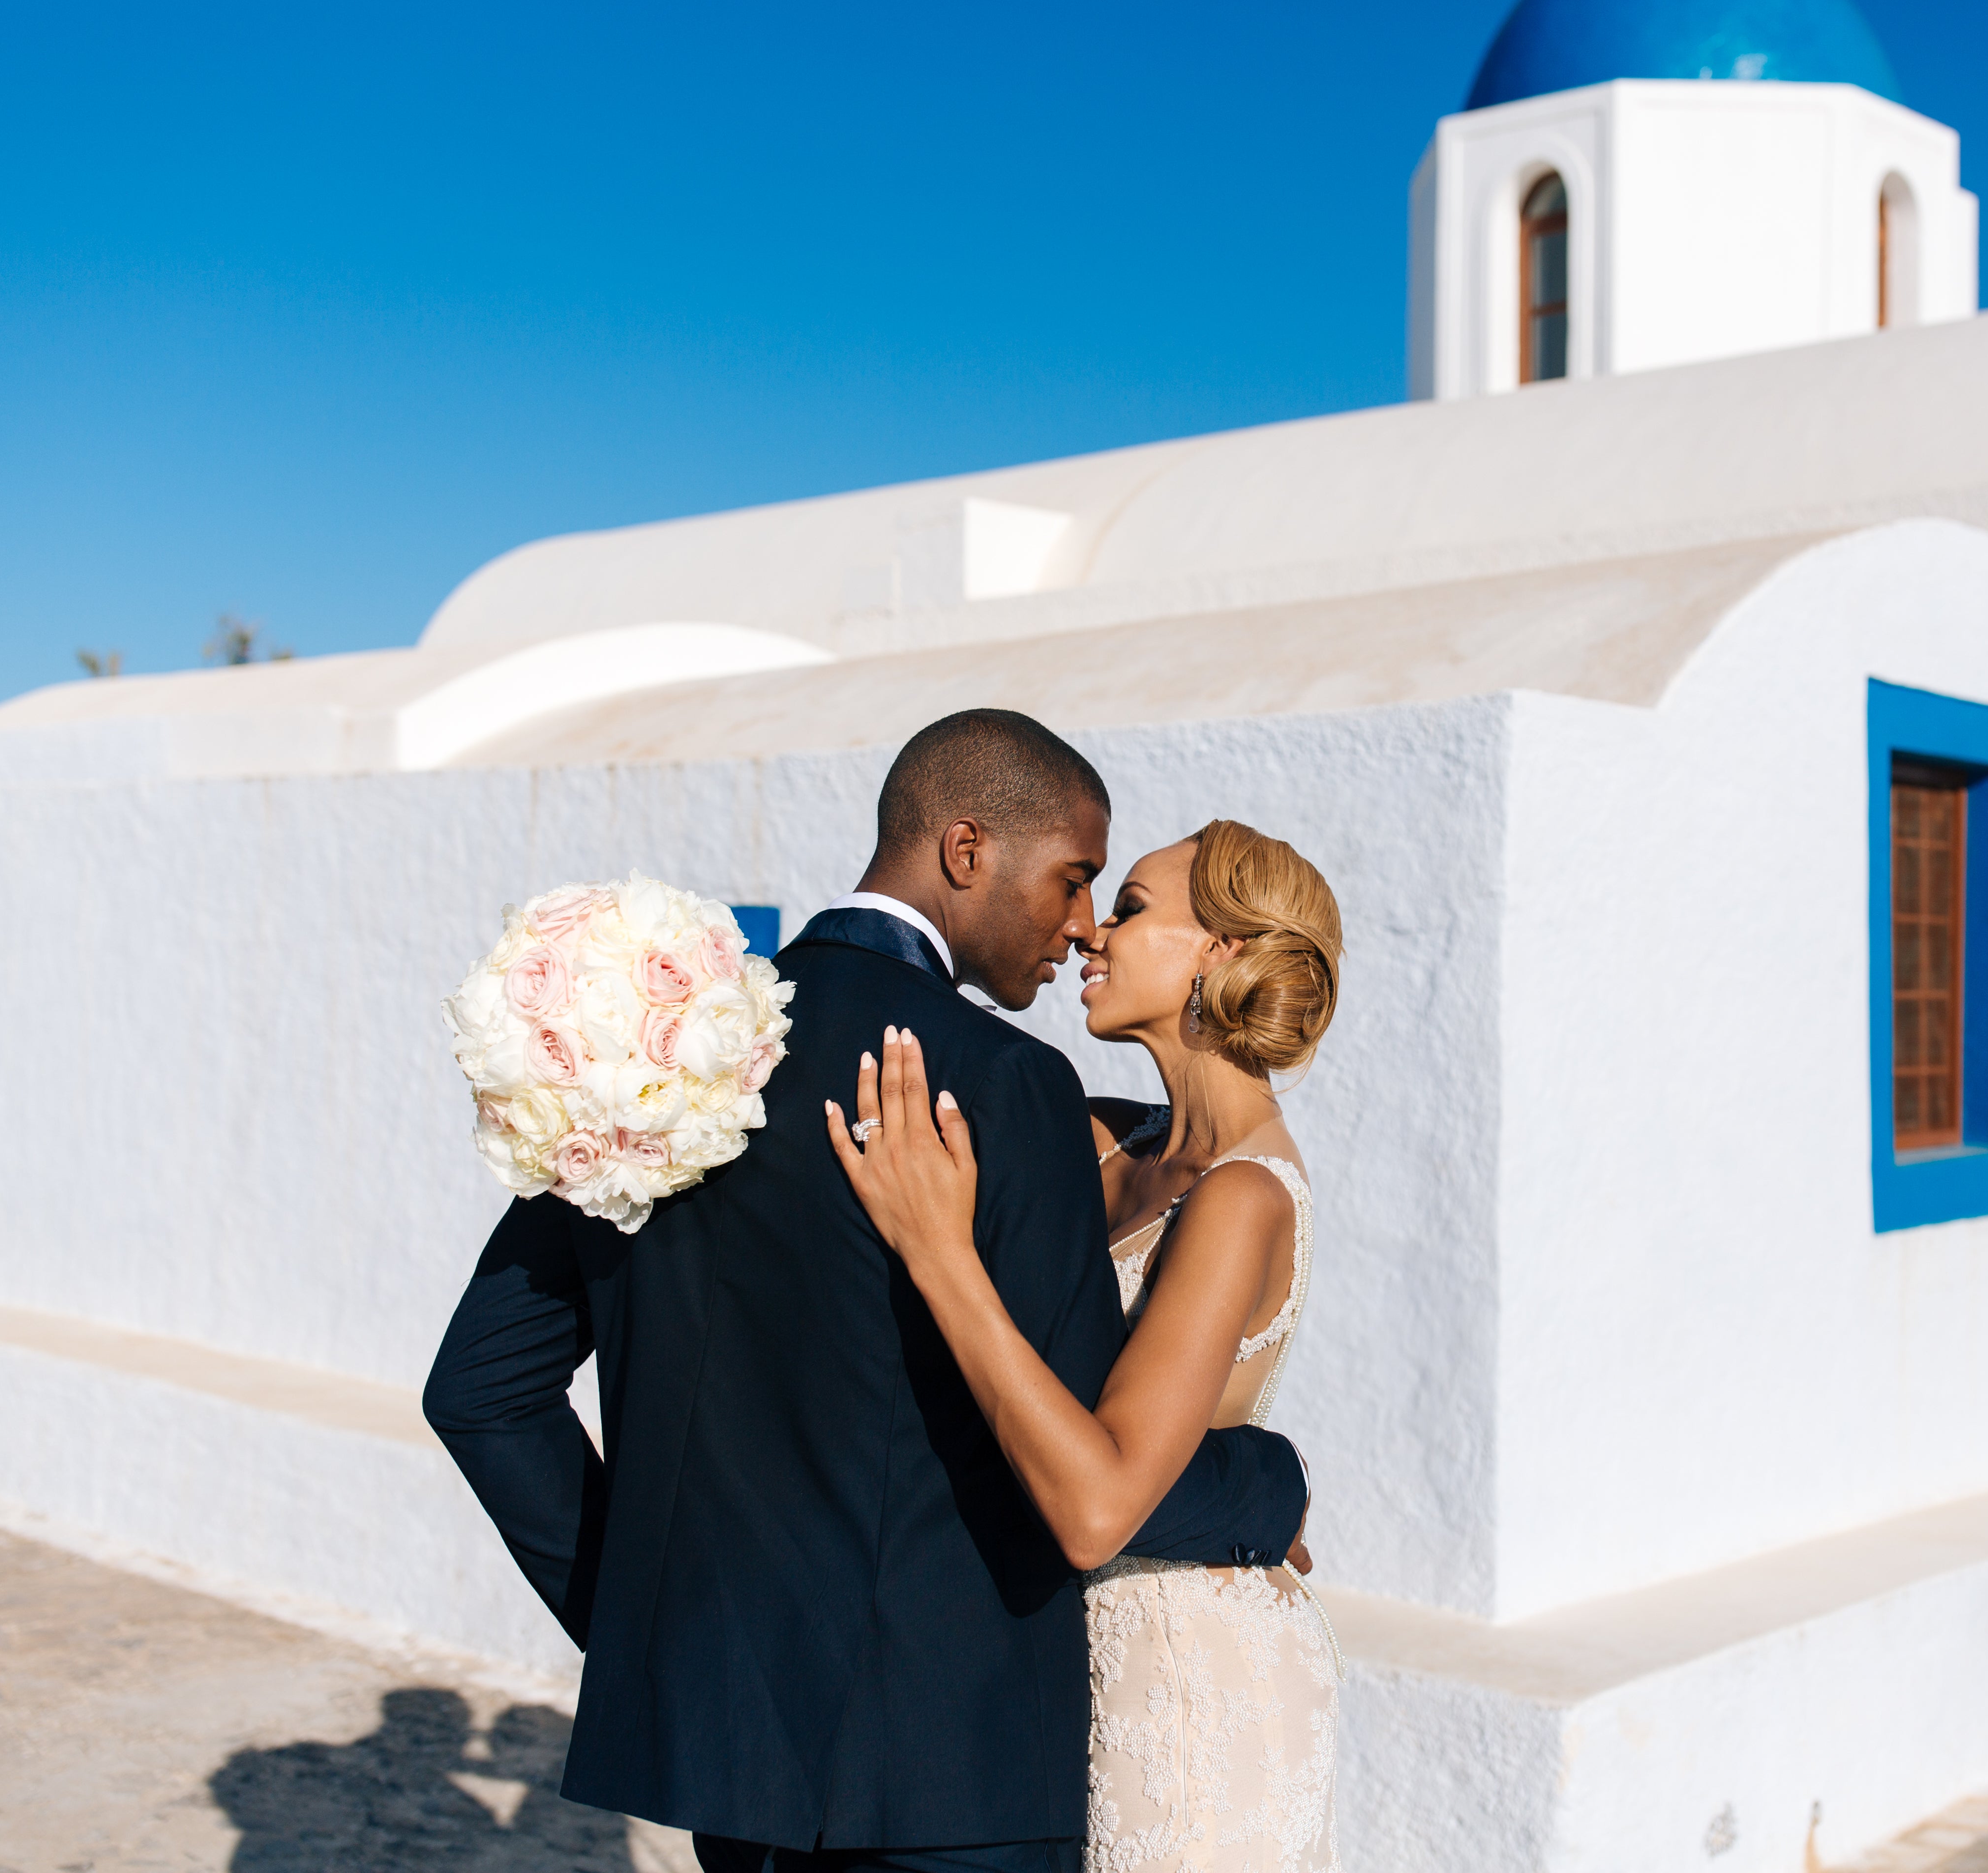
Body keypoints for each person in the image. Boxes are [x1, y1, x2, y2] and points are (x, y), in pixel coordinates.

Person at [422, 711, 1311, 1873]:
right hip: (955, 1783)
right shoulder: (1005, 1088)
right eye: (1075, 878)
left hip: (735, 1769)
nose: (1080, 921)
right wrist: (1265, 1484)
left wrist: (661, 1633)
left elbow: (482, 1393)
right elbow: (1090, 1459)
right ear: (967, 851)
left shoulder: (659, 1063)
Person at [829, 818, 1343, 1873]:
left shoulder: (1243, 1197)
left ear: (1223, 953)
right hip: (1073, 1661)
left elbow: (1102, 1501)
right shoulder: (1107, 1142)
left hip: (1191, 1686)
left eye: (1136, 907)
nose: (1094, 932)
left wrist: (940, 1251)